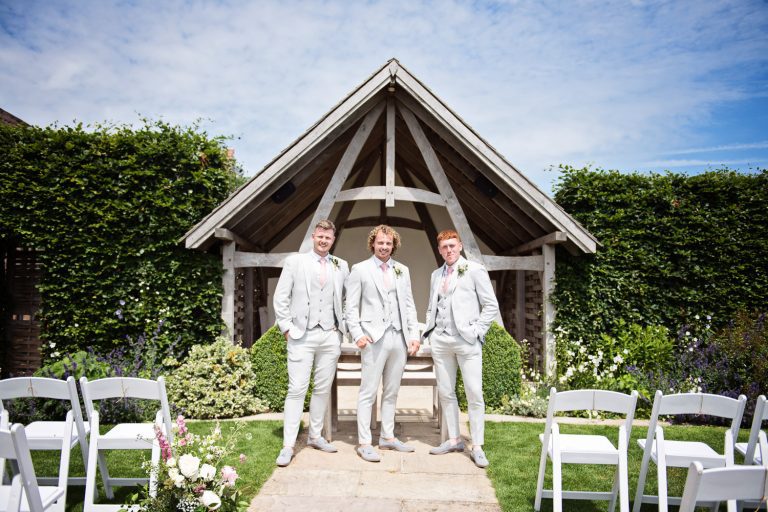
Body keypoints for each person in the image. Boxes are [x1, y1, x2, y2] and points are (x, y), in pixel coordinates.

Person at [273, 219, 349, 467]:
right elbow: (281, 296)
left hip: (330, 335)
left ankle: (315, 436)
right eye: (320, 236)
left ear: (333, 239)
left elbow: (348, 299)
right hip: (301, 334)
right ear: (313, 237)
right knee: (297, 389)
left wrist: (341, 329)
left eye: (328, 237)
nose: (324, 240)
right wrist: (287, 328)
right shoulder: (296, 262)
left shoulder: (341, 266)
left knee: (322, 388)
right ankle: (288, 445)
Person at [422, 229, 499, 468]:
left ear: (460, 246)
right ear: (439, 250)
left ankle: (477, 445)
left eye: (452, 246)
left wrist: (476, 331)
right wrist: (430, 331)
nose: (449, 250)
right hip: (441, 341)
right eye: (444, 247)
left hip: (467, 340)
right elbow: (431, 307)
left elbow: (490, 305)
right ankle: (454, 439)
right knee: (446, 392)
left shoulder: (474, 270)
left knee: (474, 393)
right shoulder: (436, 274)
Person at [345, 225, 420, 462]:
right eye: (380, 243)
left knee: (392, 391)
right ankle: (365, 442)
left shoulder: (402, 270)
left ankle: (387, 437)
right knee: (368, 391)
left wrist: (414, 334)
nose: (384, 247)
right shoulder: (360, 269)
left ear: (393, 245)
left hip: (398, 337)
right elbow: (350, 306)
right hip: (373, 338)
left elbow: (409, 304)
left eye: (388, 243)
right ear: (373, 244)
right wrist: (357, 334)